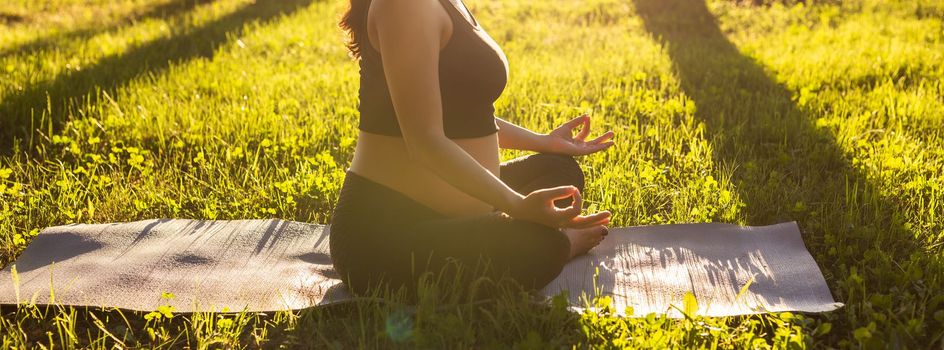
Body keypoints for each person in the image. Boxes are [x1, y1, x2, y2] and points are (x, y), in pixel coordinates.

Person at [329, 0, 615, 296]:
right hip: (385, 233)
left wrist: (545, 142)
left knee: (560, 171)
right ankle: (560, 244)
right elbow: (425, 141)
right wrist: (515, 204)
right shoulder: (404, 6)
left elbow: (464, 115)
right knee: (542, 248)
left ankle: (502, 229)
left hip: (457, 209)